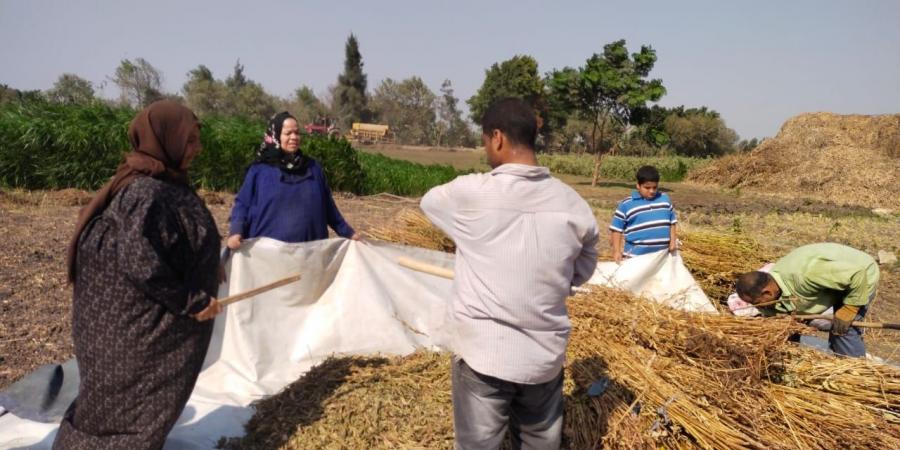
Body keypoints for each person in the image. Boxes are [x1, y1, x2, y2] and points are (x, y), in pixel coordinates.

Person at [420, 98, 599, 449]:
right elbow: (582, 270)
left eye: (485, 139)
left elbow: (429, 202)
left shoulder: (470, 194)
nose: (485, 147)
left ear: (497, 138)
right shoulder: (573, 204)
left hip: (484, 356)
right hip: (544, 360)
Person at [55, 100, 222, 449]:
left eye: (197, 139)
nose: (197, 148)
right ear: (165, 139)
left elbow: (172, 239)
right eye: (189, 140)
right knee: (127, 412)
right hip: (134, 332)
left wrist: (207, 259)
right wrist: (192, 301)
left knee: (131, 411)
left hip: (141, 325)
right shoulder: (145, 193)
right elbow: (141, 262)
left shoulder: (166, 182)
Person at [226, 112, 358, 250]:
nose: (294, 137)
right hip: (267, 256)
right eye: (288, 133)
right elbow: (242, 204)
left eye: (297, 133)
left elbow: (329, 208)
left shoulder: (313, 168)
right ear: (275, 135)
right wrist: (236, 231)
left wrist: (349, 233)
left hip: (311, 253)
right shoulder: (259, 171)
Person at [735, 243, 879, 357]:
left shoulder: (806, 275)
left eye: (757, 303)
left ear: (767, 292)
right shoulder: (774, 285)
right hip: (831, 282)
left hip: (860, 276)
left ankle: (853, 372)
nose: (759, 307)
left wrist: (850, 308)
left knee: (842, 329)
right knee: (787, 325)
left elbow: (857, 274)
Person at [609, 165, 678, 263]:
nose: (652, 191)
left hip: (662, 258)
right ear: (638, 185)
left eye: (655, 187)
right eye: (647, 187)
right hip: (635, 259)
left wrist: (673, 241)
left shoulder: (665, 199)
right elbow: (616, 229)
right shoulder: (626, 204)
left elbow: (672, 222)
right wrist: (616, 251)